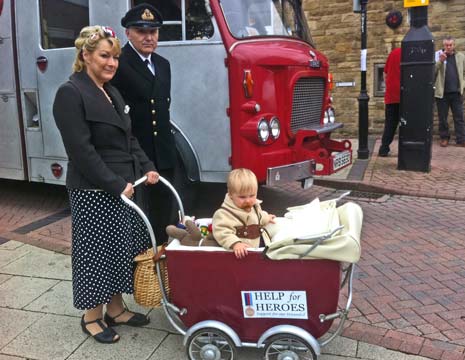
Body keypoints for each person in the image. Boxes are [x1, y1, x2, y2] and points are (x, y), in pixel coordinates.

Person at [53, 25, 159, 344]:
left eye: (114, 57)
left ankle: (115, 309)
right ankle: (91, 317)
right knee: (96, 254)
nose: (112, 63)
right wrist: (115, 184)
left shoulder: (111, 92)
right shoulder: (70, 92)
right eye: (104, 56)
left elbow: (129, 139)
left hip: (122, 186)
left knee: (119, 250)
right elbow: (81, 151)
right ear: (85, 55)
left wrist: (149, 167)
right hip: (94, 190)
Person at [112, 3, 178, 245]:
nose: (149, 37)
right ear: (128, 33)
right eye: (142, 31)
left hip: (162, 150)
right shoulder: (118, 63)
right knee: (138, 213)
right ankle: (139, 263)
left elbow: (162, 109)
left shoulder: (163, 65)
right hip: (135, 152)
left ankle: (158, 258)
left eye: (154, 32)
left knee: (163, 210)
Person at [212, 168, 275, 259]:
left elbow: (259, 217)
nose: (248, 200)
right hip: (242, 254)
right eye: (242, 197)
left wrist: (266, 218)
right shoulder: (224, 214)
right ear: (230, 195)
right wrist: (235, 244)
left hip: (258, 247)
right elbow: (222, 232)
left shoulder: (254, 206)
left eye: (252, 195)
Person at [434, 35, 465, 148]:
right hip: (442, 93)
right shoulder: (438, 56)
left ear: (454, 45)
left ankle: (461, 139)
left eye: (450, 45)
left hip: (456, 93)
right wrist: (440, 62)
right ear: (444, 45)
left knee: (459, 117)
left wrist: (462, 85)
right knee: (443, 118)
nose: (448, 47)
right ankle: (444, 138)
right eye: (446, 45)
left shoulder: (461, 56)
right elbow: (432, 73)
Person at [379, 47, 401, 157]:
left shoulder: (393, 53)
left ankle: (384, 148)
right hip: (405, 94)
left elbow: (385, 73)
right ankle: (404, 148)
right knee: (406, 124)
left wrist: (389, 85)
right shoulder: (411, 53)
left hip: (391, 95)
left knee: (390, 124)